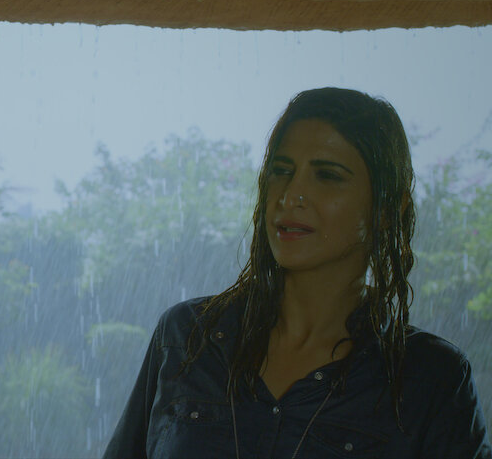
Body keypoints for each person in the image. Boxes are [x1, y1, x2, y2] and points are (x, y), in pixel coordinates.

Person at [103, 87, 491, 458]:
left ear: (389, 208)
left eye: (327, 175)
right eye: (281, 170)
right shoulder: (188, 338)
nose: (290, 196)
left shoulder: (431, 378)